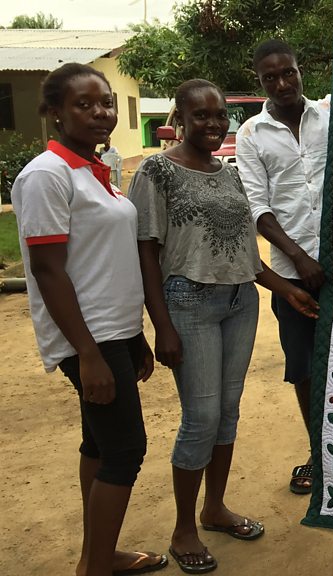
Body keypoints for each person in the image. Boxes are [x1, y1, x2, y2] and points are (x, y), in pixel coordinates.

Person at [128, 78, 319, 574]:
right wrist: (161, 324)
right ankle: (183, 529)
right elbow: (145, 251)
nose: (213, 123)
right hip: (188, 304)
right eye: (201, 115)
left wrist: (286, 289)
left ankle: (214, 509)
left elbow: (244, 257)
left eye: (220, 115)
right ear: (179, 118)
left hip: (240, 303)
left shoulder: (228, 173)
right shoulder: (156, 171)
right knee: (200, 418)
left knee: (227, 414)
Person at [11, 63, 167, 576]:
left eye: (106, 103)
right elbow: (48, 271)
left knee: (99, 444)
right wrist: (89, 354)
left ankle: (96, 555)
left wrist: (134, 336)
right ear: (55, 112)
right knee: (126, 450)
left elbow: (104, 263)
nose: (100, 112)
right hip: (89, 338)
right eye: (84, 104)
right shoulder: (46, 175)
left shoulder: (93, 172)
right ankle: (96, 567)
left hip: (112, 333)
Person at [235, 39, 331, 495]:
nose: (281, 83)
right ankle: (320, 454)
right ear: (260, 82)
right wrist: (299, 256)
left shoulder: (330, 116)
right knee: (306, 367)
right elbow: (258, 208)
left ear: (300, 69)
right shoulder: (251, 134)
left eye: (287, 72)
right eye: (269, 77)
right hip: (294, 275)